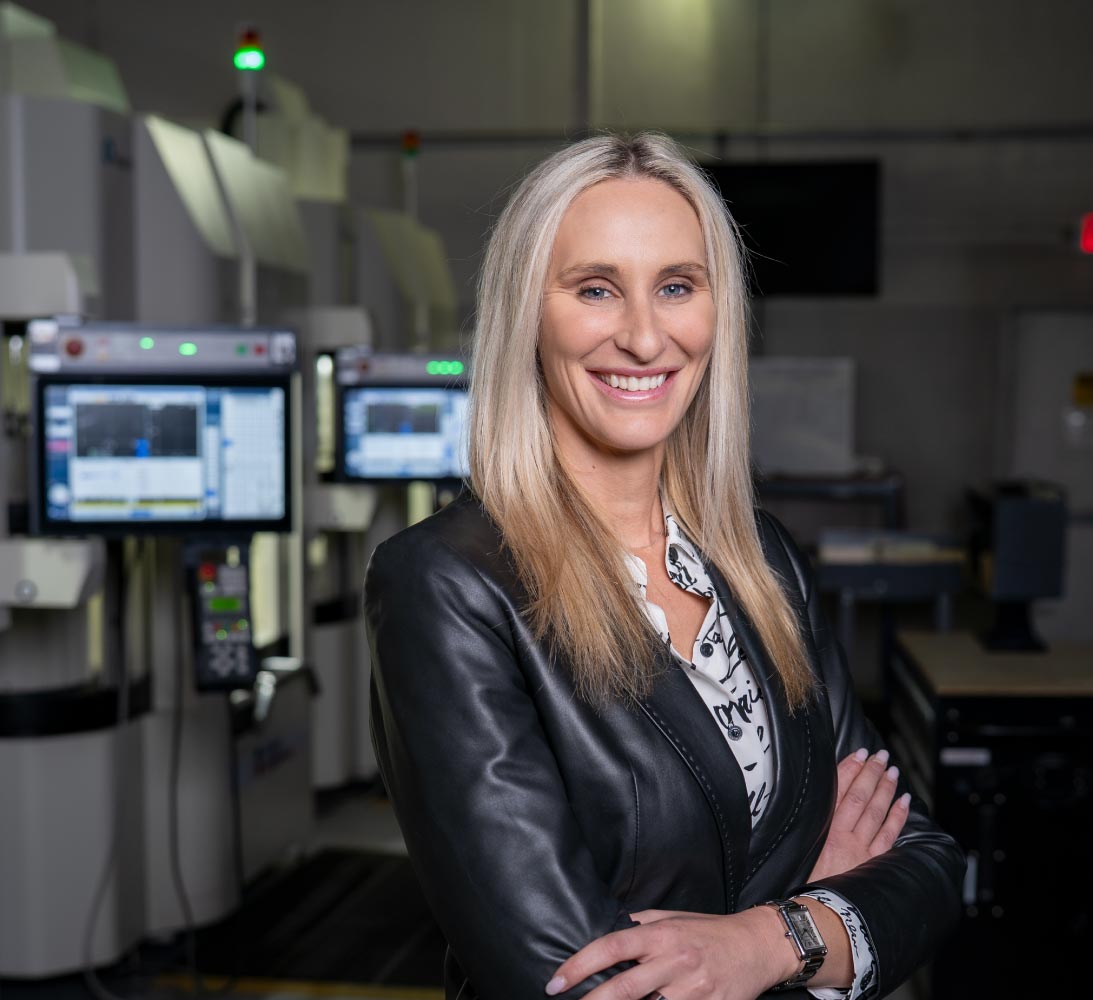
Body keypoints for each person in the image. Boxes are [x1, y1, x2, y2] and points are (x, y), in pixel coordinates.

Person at [365, 132, 964, 1000]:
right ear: (527, 312)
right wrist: (819, 911)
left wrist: (764, 940)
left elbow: (928, 863)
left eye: (677, 287)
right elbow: (574, 985)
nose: (645, 337)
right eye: (595, 289)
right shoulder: (447, 586)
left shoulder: (759, 561)